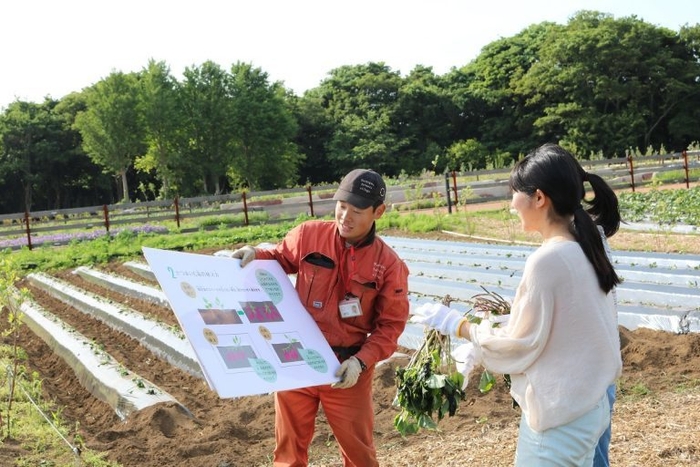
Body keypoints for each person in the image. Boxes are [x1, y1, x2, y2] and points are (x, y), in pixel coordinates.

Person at [412, 143, 622, 466]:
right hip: (593, 405)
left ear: (539, 198)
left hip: (560, 419)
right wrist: (511, 317)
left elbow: (518, 347)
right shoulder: (590, 239)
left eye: (515, 194)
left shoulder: (546, 260)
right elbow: (569, 317)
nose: (511, 204)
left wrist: (462, 327)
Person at [231, 168, 410, 467]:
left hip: (345, 367)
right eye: (341, 206)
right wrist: (255, 253)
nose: (345, 217)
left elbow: (390, 327)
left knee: (359, 455)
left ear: (379, 211)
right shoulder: (309, 234)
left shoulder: (388, 265)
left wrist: (360, 361)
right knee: (288, 453)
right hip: (296, 358)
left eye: (356, 210)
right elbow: (279, 257)